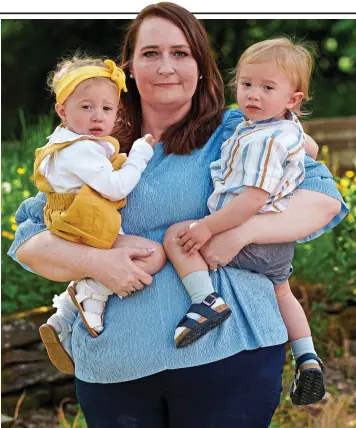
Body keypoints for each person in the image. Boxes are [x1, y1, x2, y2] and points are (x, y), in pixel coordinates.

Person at [8, 3, 348, 427]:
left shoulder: (244, 130)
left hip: (229, 356)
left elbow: (323, 199)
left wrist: (241, 231)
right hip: (115, 365)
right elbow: (31, 239)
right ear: (129, 67)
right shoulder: (91, 148)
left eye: (180, 53)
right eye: (151, 53)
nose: (166, 66)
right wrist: (97, 262)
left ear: (201, 66)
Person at [164, 37, 325, 405]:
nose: (252, 94)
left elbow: (251, 199)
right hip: (278, 244)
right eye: (247, 84)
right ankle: (307, 356)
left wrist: (207, 227)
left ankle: (205, 300)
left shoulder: (262, 142)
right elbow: (311, 150)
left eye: (267, 88)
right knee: (282, 291)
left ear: (293, 99)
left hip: (246, 237)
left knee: (176, 236)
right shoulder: (287, 128)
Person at [33, 56, 165, 375]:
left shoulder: (66, 141)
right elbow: (116, 188)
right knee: (152, 254)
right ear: (63, 111)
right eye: (86, 107)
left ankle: (64, 316)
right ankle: (90, 291)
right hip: (83, 221)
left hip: (68, 217)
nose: (98, 116)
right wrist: (139, 156)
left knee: (110, 258)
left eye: (107, 109)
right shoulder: (81, 149)